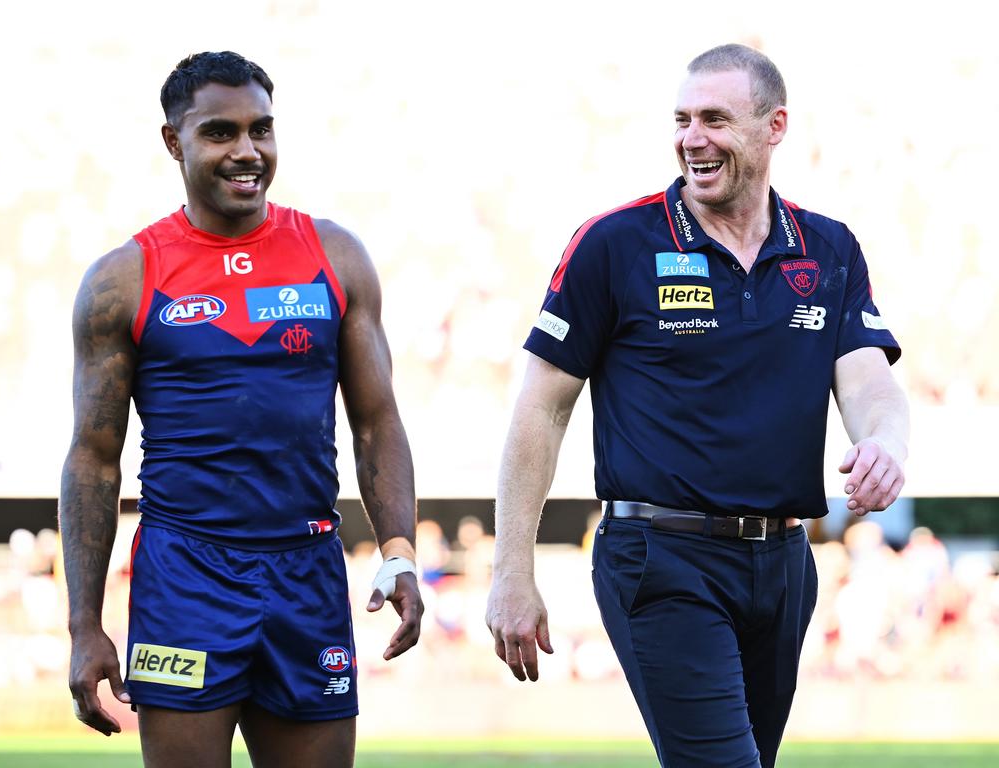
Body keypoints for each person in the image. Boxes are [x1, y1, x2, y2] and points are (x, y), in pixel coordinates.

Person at [485, 43, 908, 768]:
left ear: (773, 127)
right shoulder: (614, 243)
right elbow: (541, 407)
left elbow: (869, 381)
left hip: (784, 562)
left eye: (715, 118)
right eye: (682, 120)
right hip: (662, 557)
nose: (692, 138)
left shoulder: (829, 248)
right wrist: (510, 570)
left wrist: (885, 443)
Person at [60, 51, 423, 768]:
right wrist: (83, 624)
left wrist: (399, 554)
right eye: (221, 132)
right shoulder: (123, 279)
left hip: (307, 572)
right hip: (183, 579)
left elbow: (377, 420)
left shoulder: (335, 256)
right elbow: (93, 457)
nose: (247, 151)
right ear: (175, 142)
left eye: (262, 129)